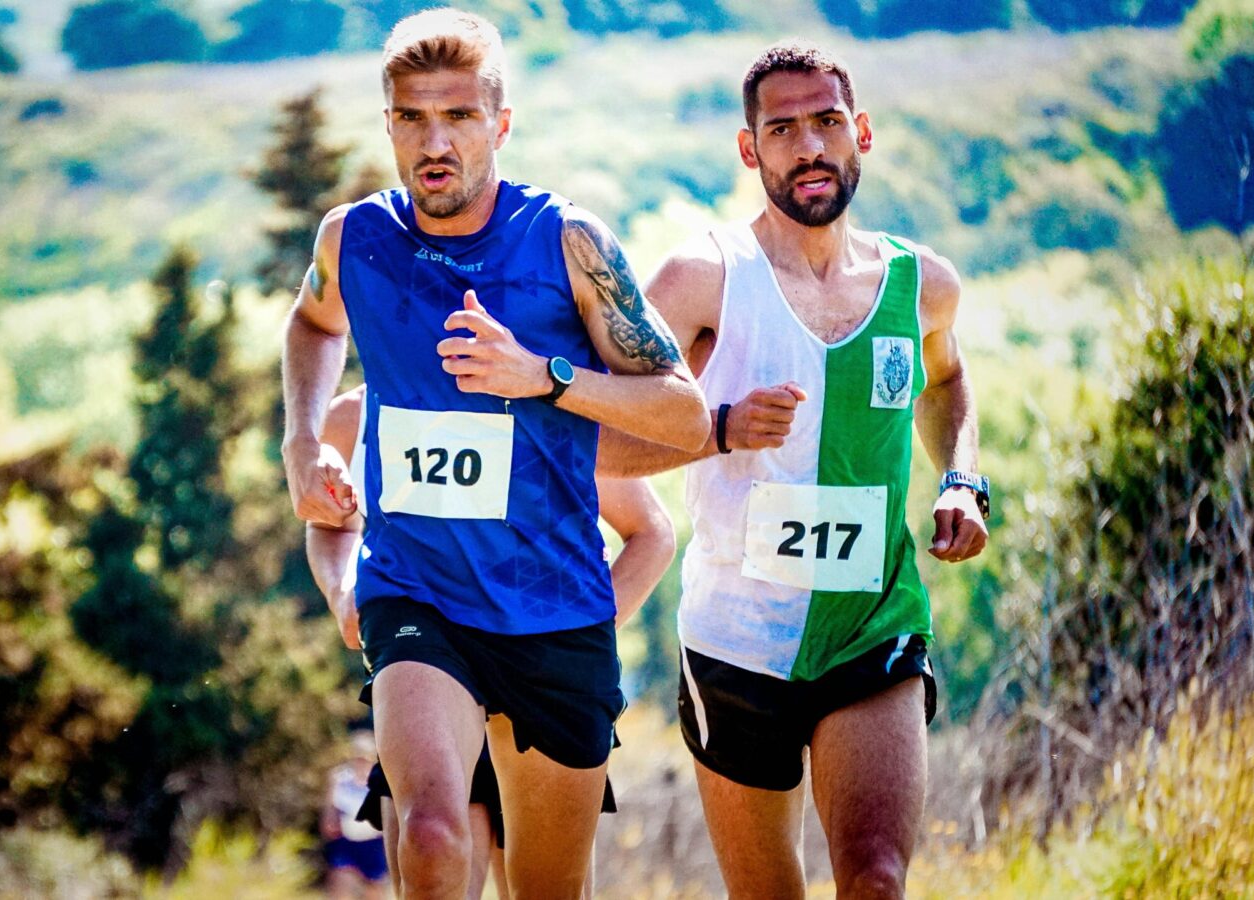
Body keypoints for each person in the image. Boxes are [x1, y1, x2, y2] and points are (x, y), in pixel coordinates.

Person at [280, 8, 707, 898]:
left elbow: (684, 414)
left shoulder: (569, 243)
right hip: (416, 594)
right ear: (388, 124)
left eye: (459, 117)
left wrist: (545, 377)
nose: (434, 142)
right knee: (434, 838)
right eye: (411, 118)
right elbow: (315, 323)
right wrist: (301, 438)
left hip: (554, 610)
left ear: (501, 123)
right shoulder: (353, 239)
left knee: (544, 888)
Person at [597, 40, 991, 899]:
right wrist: (720, 430)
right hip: (735, 641)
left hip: (873, 624)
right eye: (782, 130)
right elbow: (593, 445)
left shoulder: (922, 283)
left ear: (862, 133)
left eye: (827, 122)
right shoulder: (702, 281)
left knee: (876, 880)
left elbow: (947, 379)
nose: (809, 147)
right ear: (751, 149)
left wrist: (962, 478)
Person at [308, 384, 675, 899]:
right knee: (432, 852)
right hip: (426, 696)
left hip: (538, 693)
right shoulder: (353, 414)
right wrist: (340, 588)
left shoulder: (534, 396)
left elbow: (652, 532)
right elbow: (328, 522)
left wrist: (577, 635)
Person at [322, 731, 389, 899]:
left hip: (373, 843)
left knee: (374, 892)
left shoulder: (380, 781)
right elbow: (330, 810)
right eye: (357, 757)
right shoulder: (339, 778)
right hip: (346, 842)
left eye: (364, 757)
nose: (360, 761)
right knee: (341, 885)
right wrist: (329, 822)